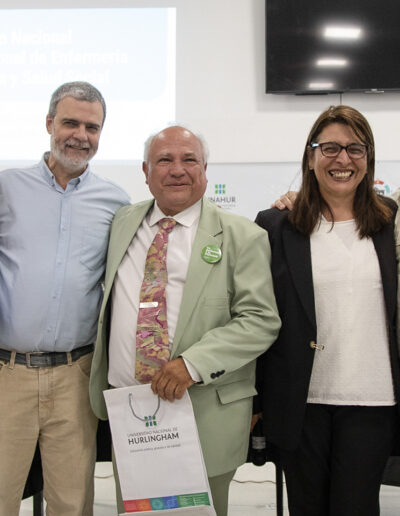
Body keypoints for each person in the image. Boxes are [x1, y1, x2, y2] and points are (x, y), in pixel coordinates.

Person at [89, 125, 281, 516]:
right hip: (131, 414)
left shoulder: (243, 236)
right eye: (165, 160)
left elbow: (260, 320)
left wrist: (191, 365)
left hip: (203, 414)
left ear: (205, 170)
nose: (177, 169)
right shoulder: (122, 223)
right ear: (145, 171)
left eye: (189, 159)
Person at [254, 105, 400, 515]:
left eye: (355, 148)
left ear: (368, 158)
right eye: (330, 148)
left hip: (373, 400)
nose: (343, 159)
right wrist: (257, 401)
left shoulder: (390, 222)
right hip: (301, 402)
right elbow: (260, 316)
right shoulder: (275, 226)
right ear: (310, 156)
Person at [0, 81, 130, 516]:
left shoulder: (116, 202)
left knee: (72, 504)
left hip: (77, 375)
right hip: (7, 374)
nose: (80, 136)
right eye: (70, 123)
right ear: (49, 123)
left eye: (92, 127)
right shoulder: (6, 188)